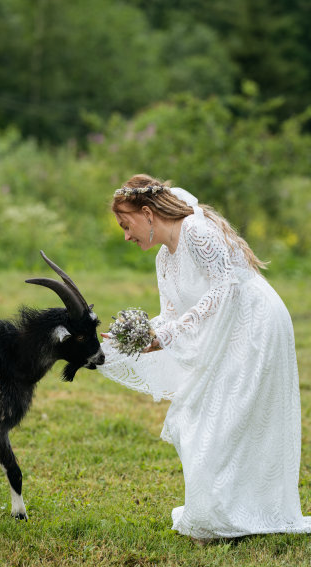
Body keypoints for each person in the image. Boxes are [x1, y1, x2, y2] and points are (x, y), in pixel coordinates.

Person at [97, 173, 311, 542]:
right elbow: (172, 312)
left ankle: (231, 515)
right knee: (199, 417)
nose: (126, 235)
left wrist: (169, 334)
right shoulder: (164, 259)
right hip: (224, 326)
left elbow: (224, 287)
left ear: (147, 212)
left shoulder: (196, 230)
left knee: (226, 416)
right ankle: (217, 513)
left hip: (254, 322)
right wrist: (135, 335)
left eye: (126, 224)